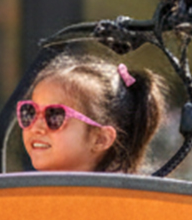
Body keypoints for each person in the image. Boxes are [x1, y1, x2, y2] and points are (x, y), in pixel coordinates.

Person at [17, 52, 169, 173]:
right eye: (30, 112)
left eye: (55, 116)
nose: (36, 127)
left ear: (100, 139)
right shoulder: (27, 197)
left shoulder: (119, 203)